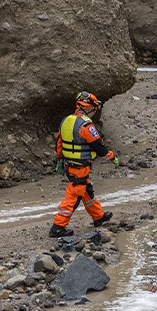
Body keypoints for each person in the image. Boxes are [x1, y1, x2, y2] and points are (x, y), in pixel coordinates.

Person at [49, 91, 118, 237]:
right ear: (88, 108)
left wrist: (60, 159)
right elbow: (98, 146)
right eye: (94, 109)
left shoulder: (66, 120)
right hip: (80, 166)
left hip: (70, 165)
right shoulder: (86, 125)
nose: (94, 113)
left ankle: (98, 216)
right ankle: (58, 227)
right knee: (73, 197)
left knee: (87, 190)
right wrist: (111, 157)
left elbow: (59, 143)